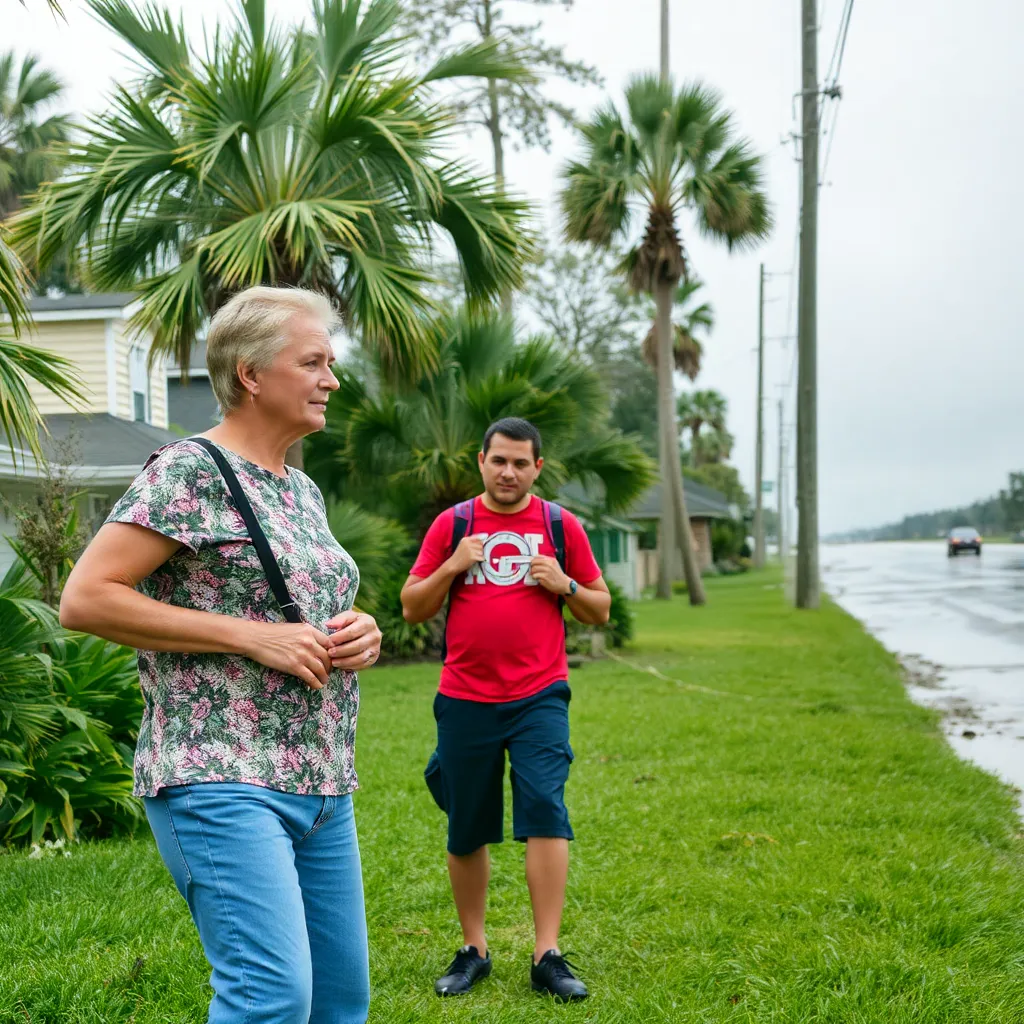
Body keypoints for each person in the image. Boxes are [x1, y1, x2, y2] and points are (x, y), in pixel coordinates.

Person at [59, 286, 382, 1024]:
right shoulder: (189, 471)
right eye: (313, 361)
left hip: (322, 780)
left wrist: (360, 630)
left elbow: (297, 606)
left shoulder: (301, 490)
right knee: (269, 997)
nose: (332, 377)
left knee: (339, 1003)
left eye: (331, 361)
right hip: (220, 775)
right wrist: (250, 635)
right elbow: (86, 596)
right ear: (251, 373)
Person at [400, 417, 611, 1002]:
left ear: (537, 468)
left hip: (540, 695)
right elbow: (412, 607)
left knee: (545, 808)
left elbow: (600, 608)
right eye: (500, 461)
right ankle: (474, 950)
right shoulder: (455, 524)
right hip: (465, 696)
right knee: (467, 821)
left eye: (521, 463)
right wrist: (452, 563)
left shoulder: (559, 525)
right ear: (482, 461)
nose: (509, 472)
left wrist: (563, 584)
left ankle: (548, 954)